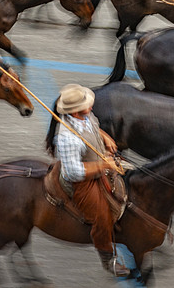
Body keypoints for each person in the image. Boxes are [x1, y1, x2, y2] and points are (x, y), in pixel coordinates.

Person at [51, 83, 129, 277]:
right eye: (87, 104)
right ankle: (108, 259)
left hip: (99, 162)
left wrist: (105, 137)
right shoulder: (67, 138)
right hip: (83, 181)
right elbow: (72, 172)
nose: (91, 106)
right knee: (102, 218)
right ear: (75, 111)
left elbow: (93, 125)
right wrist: (104, 166)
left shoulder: (86, 115)